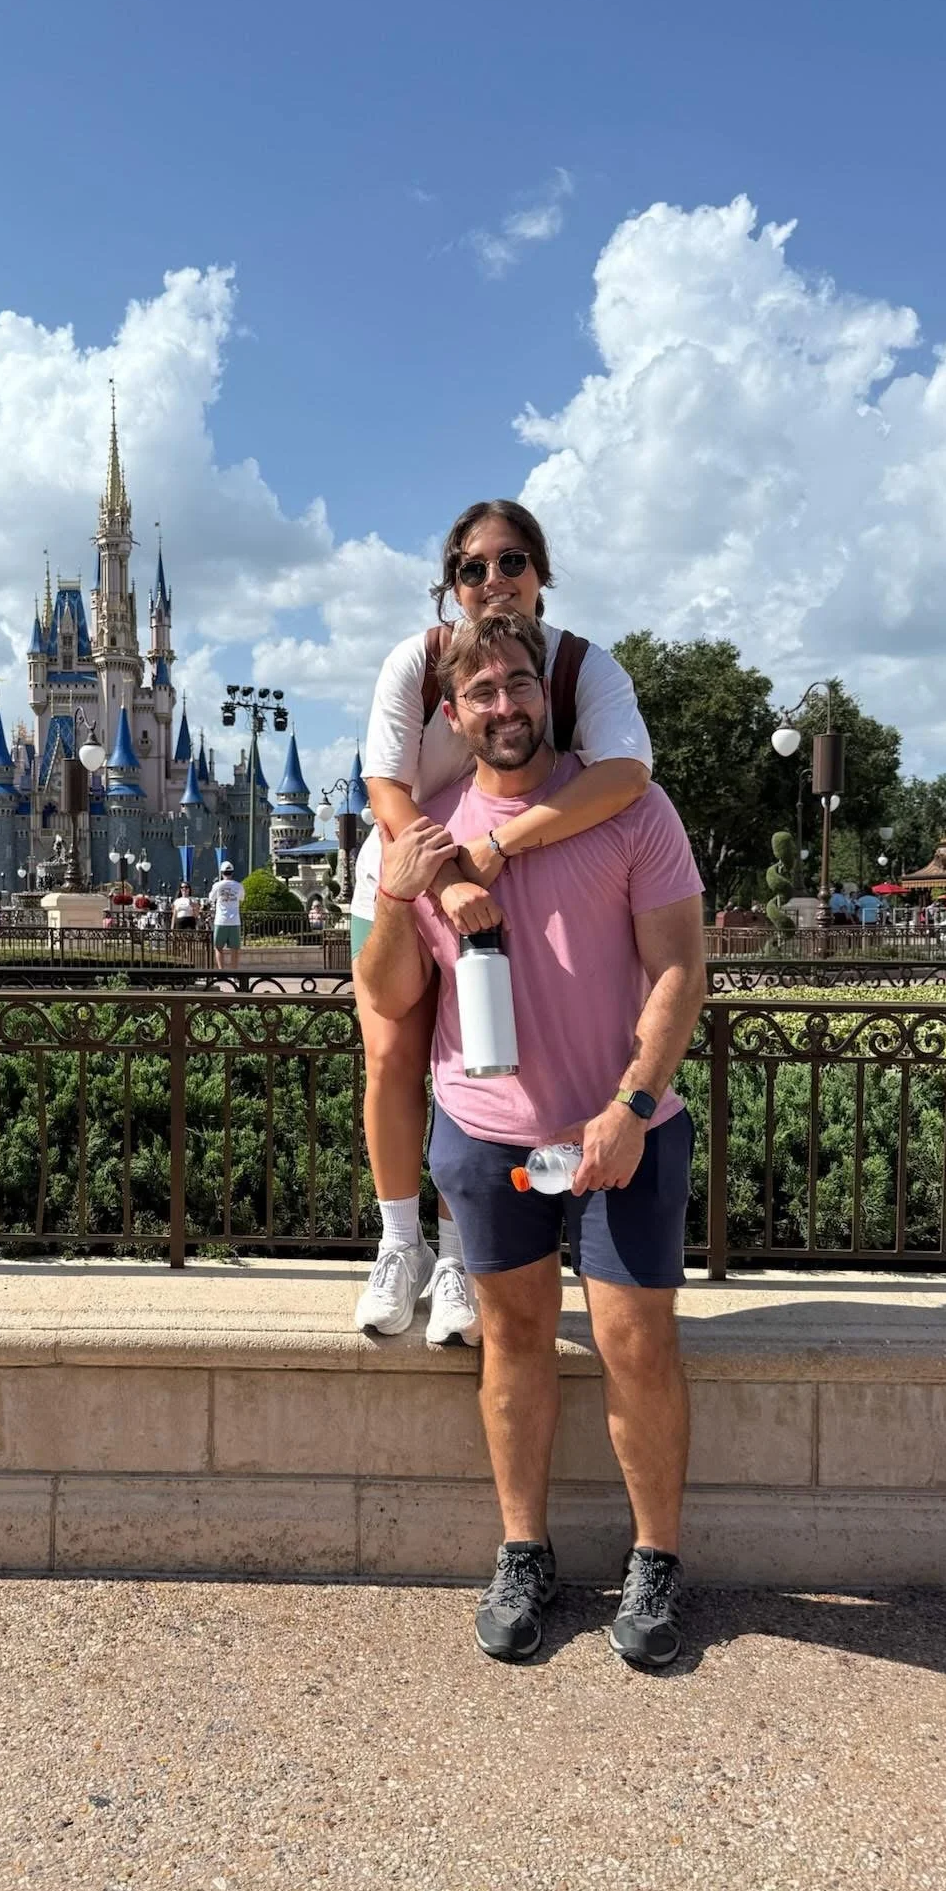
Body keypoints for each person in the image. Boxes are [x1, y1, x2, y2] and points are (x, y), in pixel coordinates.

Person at [358, 609, 706, 1668]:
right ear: (453, 717)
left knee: (634, 1342)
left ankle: (655, 1559)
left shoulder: (630, 812)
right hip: (492, 1134)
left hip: (622, 1136)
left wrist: (632, 1107)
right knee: (510, 1341)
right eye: (481, 693)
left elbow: (680, 970)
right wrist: (396, 893)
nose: (504, 705)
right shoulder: (429, 836)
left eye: (519, 683)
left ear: (542, 696)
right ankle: (524, 1549)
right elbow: (388, 994)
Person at [354, 499, 653, 1347]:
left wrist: (500, 846)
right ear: (451, 585)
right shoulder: (417, 664)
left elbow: (627, 773)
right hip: (407, 877)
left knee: (479, 1065)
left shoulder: (575, 669)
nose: (493, 581)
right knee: (394, 1053)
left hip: (509, 878)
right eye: (473, 567)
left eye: (512, 561)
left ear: (542, 575)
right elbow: (386, 791)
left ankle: (459, 1255)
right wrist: (442, 882)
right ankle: (401, 1242)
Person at [208, 861, 245, 971]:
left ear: (222, 873)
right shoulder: (239, 886)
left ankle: (221, 972)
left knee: (218, 948)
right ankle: (234, 973)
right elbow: (242, 898)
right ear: (232, 872)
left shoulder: (217, 885)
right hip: (234, 921)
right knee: (235, 949)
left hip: (221, 921)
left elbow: (211, 898)